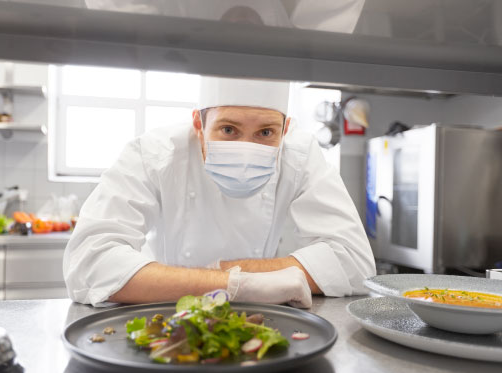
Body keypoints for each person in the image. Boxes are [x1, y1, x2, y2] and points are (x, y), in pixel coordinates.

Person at [63, 76, 375, 308]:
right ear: (198, 124)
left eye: (265, 133)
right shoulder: (154, 154)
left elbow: (354, 262)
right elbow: (88, 262)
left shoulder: (300, 154)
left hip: (258, 318)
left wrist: (230, 282)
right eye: (229, 130)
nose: (246, 149)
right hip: (169, 316)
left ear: (286, 128)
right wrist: (237, 284)